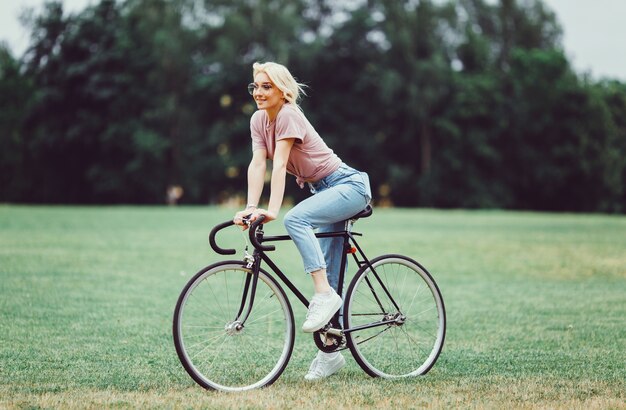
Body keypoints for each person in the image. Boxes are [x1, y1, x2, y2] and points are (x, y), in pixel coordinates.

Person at [233, 62, 372, 381]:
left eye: (266, 86)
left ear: (283, 90)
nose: (258, 92)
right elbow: (258, 164)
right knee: (331, 270)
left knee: (296, 220)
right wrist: (251, 206)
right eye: (255, 86)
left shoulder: (289, 114)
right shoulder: (258, 120)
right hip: (322, 190)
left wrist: (273, 209)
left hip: (347, 186)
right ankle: (331, 353)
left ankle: (323, 295)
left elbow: (279, 164)